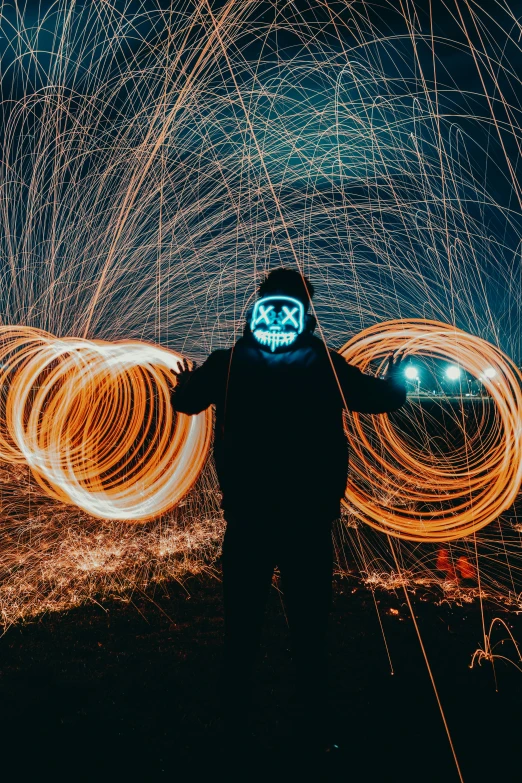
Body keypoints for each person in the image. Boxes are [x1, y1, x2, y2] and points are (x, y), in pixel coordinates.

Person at [171, 268, 407, 752]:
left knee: (243, 627)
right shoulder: (323, 364)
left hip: (251, 518)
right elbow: (378, 399)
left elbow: (186, 402)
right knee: (308, 630)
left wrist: (186, 384)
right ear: (309, 310)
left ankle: (235, 724)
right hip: (306, 519)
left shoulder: (231, 362)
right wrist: (398, 381)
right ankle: (312, 724)